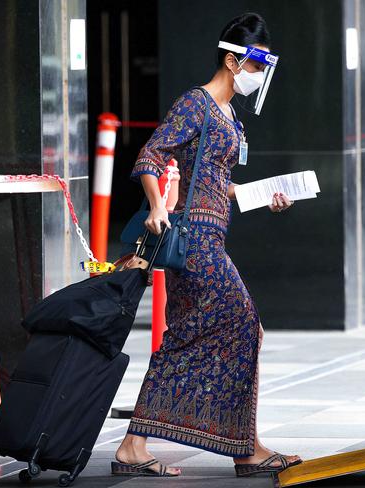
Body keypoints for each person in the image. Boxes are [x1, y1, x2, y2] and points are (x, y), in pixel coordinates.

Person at [112, 12, 302, 478]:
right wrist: (157, 205)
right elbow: (151, 155)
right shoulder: (195, 104)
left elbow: (220, 183)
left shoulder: (228, 114)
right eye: (256, 69)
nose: (258, 79)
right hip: (193, 238)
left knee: (189, 333)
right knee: (244, 323)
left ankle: (137, 445)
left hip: (213, 232)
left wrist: (264, 198)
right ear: (234, 62)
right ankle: (245, 448)